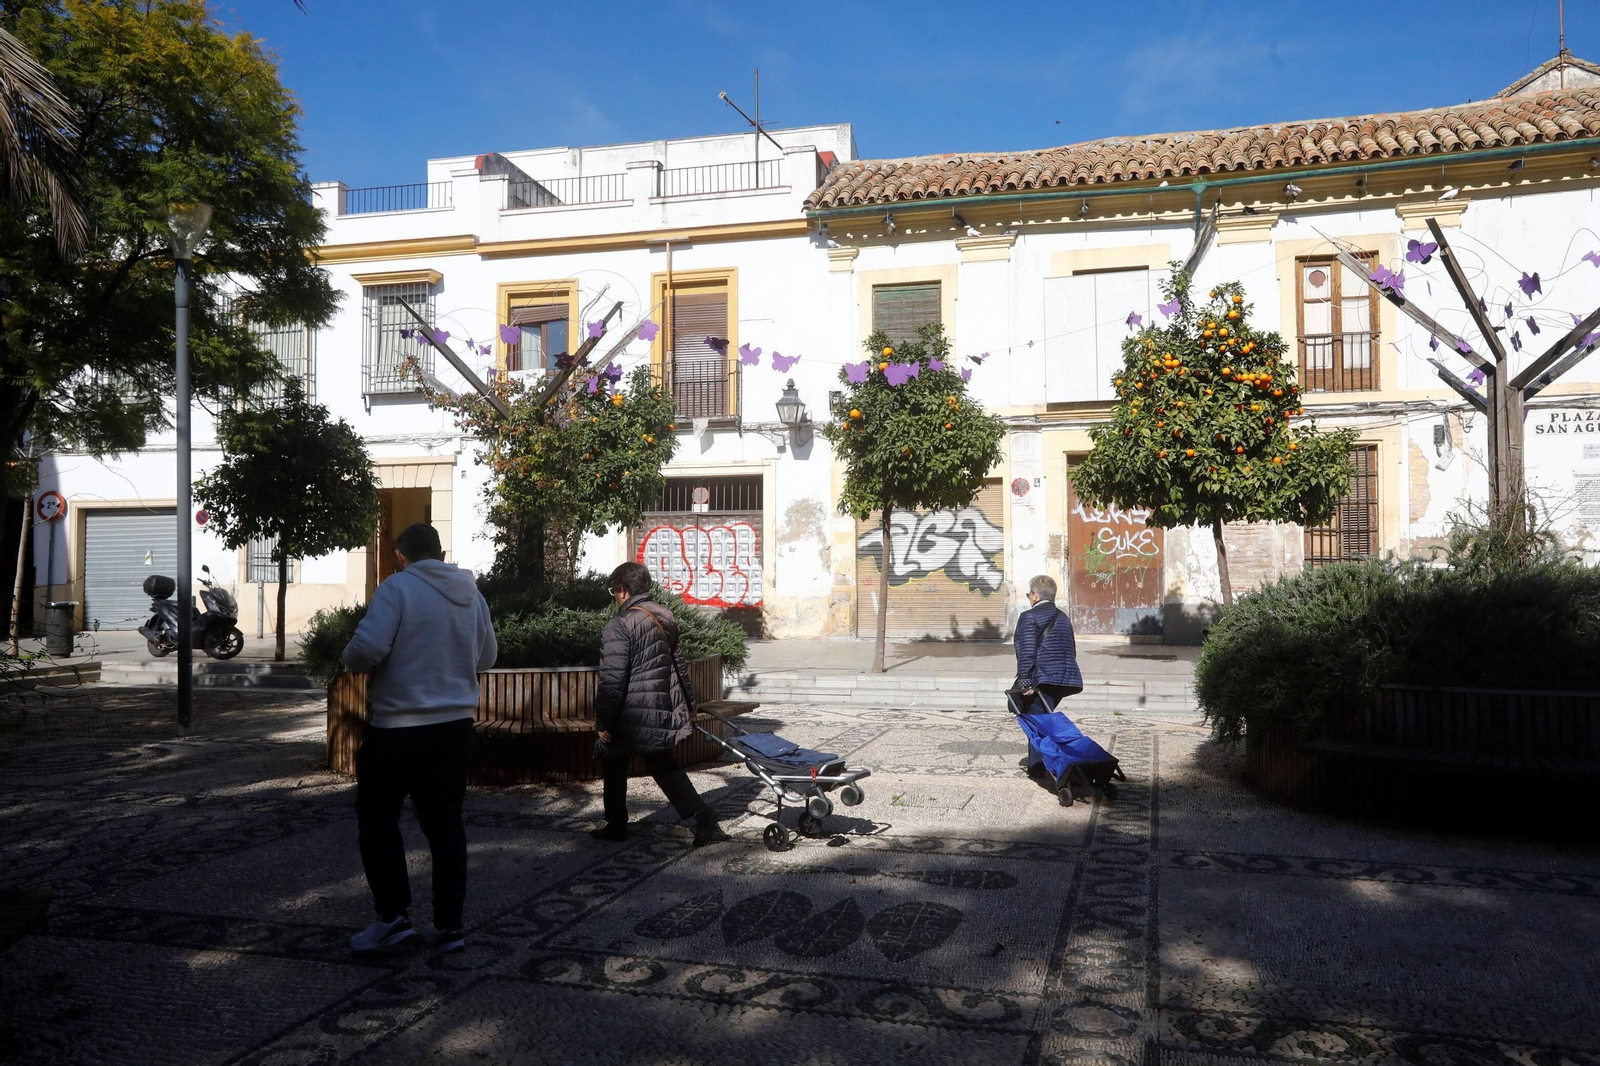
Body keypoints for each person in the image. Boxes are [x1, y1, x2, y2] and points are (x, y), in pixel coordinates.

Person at [341, 522, 497, 955]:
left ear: (401, 555)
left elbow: (366, 649)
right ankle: (450, 927)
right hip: (455, 729)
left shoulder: (397, 589)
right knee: (446, 826)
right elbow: (488, 656)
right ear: (441, 552)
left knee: (378, 820)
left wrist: (349, 655)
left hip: (397, 728)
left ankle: (392, 918)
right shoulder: (472, 593)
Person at [591, 561, 729, 847]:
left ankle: (618, 825)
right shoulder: (664, 615)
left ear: (624, 591)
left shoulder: (620, 625)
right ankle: (698, 813)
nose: (615, 596)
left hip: (629, 712)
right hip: (660, 705)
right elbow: (678, 664)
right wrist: (687, 704)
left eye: (614, 591)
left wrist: (603, 719)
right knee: (657, 762)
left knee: (616, 759)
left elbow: (612, 680)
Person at [1013, 574, 1083, 709]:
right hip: (1062, 680)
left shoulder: (1030, 616)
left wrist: (1025, 682)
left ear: (1035, 595)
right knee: (1042, 719)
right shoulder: (1063, 617)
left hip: (1042, 680)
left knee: (1037, 721)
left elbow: (1027, 652)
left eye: (1029, 595)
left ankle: (1066, 731)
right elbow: (1071, 649)